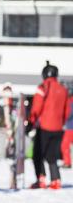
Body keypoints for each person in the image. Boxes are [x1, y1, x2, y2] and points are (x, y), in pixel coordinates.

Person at [28, 61, 68, 189]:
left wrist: (31, 122)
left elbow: (37, 107)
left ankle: (41, 179)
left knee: (37, 154)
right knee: (52, 155)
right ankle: (56, 180)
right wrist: (61, 123)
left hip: (44, 127)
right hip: (58, 128)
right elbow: (67, 110)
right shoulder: (63, 89)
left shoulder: (43, 87)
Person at [61, 84, 73, 169]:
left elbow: (68, 114)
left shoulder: (70, 101)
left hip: (70, 127)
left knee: (65, 145)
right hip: (70, 126)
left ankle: (67, 162)